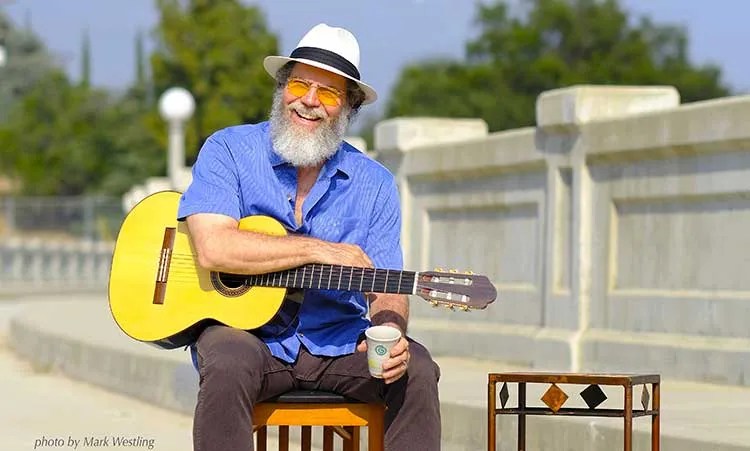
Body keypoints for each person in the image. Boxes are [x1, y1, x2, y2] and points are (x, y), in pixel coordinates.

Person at [177, 23, 441, 451]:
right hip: (247, 337)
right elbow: (213, 247)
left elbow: (387, 284)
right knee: (226, 361)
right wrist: (318, 249)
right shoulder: (228, 150)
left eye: (330, 93)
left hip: (339, 343)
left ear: (349, 108)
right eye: (300, 84)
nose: (310, 101)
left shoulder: (374, 183)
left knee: (419, 369)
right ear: (282, 87)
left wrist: (391, 331)